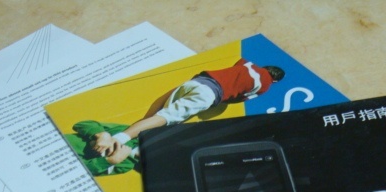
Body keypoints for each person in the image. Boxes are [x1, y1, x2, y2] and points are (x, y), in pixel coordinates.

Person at [89, 59, 285, 164]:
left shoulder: (247, 63)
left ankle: (134, 136)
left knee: (161, 111)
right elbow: (238, 98)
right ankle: (121, 140)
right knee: (166, 119)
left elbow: (236, 67)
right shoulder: (265, 86)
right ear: (275, 80)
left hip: (198, 81)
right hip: (210, 93)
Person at [65, 120, 140, 176]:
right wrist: (101, 134)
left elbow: (77, 173)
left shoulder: (126, 166)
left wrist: (110, 161)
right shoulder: (130, 133)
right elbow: (80, 124)